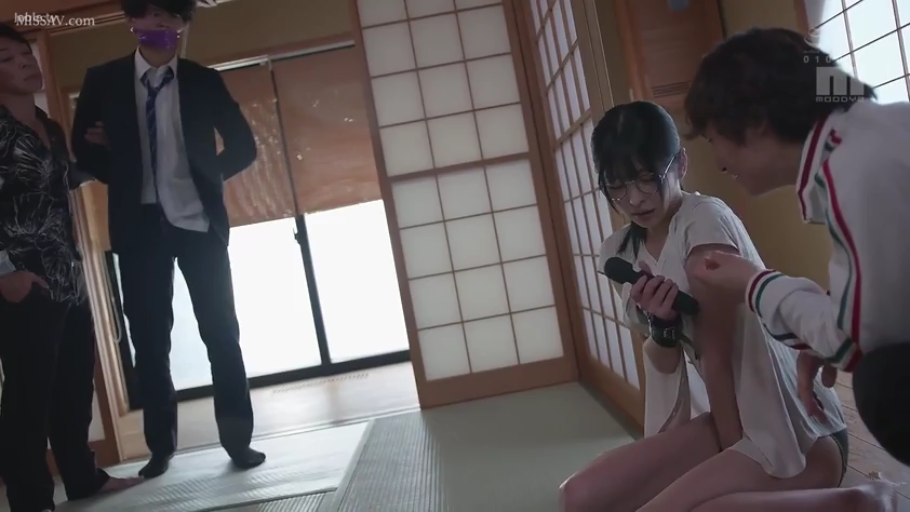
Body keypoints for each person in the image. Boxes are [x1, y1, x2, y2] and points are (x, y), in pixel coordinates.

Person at [559, 101, 896, 512]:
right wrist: (663, 326)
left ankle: (865, 500)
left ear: (680, 164)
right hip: (724, 413)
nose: (633, 199)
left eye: (646, 179)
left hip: (792, 424)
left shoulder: (704, 220)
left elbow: (715, 354)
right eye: (617, 185)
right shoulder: (619, 252)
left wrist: (731, 459)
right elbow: (664, 355)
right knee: (578, 497)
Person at [682, 27, 910, 467]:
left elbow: (856, 343)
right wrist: (820, 330)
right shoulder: (878, 131)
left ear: (755, 123)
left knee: (885, 387)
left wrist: (754, 283)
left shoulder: (855, 168)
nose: (720, 162)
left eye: (713, 140)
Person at [70, 0, 263, 479]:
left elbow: (243, 146)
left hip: (199, 224)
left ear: (182, 24)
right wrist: (123, 170)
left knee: (221, 333)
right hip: (138, 227)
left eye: (170, 16)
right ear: (131, 21)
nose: (157, 23)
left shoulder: (202, 80)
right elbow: (83, 150)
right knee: (150, 341)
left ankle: (238, 440)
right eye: (148, 14)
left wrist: (205, 179)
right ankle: (160, 448)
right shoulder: (103, 80)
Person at [0, 23, 143, 511]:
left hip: (67, 271)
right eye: (7, 59)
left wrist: (106, 150)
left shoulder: (48, 124)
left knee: (74, 387)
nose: (25, 62)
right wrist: (4, 273)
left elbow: (58, 182)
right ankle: (31, 499)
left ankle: (82, 478)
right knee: (29, 397)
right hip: (23, 277)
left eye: (25, 53)